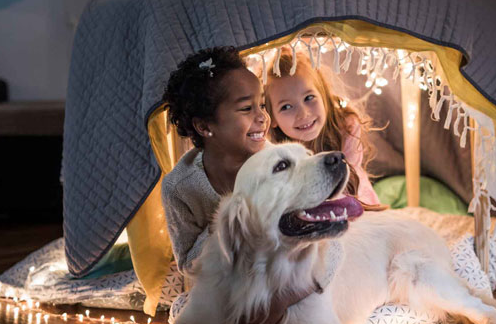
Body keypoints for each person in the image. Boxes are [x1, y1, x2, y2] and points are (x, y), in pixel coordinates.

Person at [161, 46, 270, 274]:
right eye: (246, 108)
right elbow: (189, 265)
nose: (262, 117)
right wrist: (228, 220)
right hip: (222, 285)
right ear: (204, 126)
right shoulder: (179, 188)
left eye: (262, 105)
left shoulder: (277, 165)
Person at [265, 50, 382, 207]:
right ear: (272, 118)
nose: (303, 114)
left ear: (323, 95)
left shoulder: (346, 127)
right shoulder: (274, 150)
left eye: (309, 98)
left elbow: (345, 185)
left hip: (355, 201)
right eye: (286, 106)